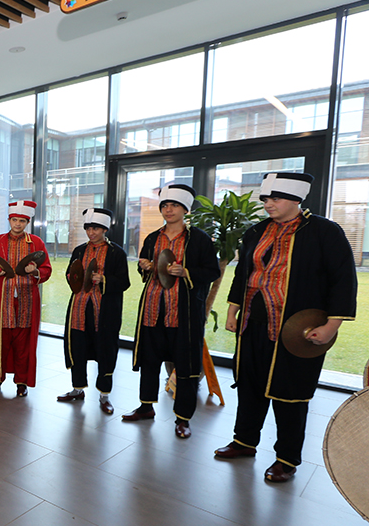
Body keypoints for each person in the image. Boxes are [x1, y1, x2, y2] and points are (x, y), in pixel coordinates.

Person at [216, 172, 357, 482]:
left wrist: (332, 326)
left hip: (298, 328)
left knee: (290, 392)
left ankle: (286, 458)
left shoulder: (324, 232)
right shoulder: (256, 232)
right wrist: (233, 310)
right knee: (250, 384)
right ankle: (244, 441)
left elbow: (343, 280)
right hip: (255, 322)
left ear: (296, 199)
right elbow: (244, 275)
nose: (268, 204)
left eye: (275, 199)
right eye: (266, 199)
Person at [123, 184, 220, 439]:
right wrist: (144, 265)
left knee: (186, 366)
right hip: (153, 309)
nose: (168, 209)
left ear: (185, 209)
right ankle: (146, 407)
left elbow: (212, 272)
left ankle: (183, 418)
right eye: (164, 205)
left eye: (174, 205)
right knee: (149, 361)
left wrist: (186, 272)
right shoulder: (153, 238)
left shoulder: (198, 239)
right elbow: (144, 267)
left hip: (184, 313)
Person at [58, 208, 130, 415]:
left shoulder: (117, 253)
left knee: (105, 349)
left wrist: (104, 280)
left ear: (105, 229)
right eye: (88, 228)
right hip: (80, 307)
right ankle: (77, 389)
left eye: (96, 228)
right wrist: (75, 278)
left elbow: (124, 282)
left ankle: (104, 394)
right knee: (78, 346)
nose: (91, 233)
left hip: (105, 311)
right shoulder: (79, 250)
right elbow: (70, 274)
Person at [0, 200, 52, 397]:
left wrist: (36, 270)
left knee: (23, 344)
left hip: (27, 301)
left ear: (27, 222)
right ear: (9, 220)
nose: (17, 224)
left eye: (21, 220)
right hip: (2, 300)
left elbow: (47, 268)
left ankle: (21, 382)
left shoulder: (36, 243)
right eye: (14, 220)